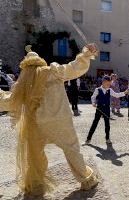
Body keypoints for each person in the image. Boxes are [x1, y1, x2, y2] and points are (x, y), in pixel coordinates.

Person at [0, 44, 99, 196]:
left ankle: (36, 185)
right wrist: (86, 54)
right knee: (72, 149)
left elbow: (8, 101)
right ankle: (86, 180)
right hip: (59, 121)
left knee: (36, 155)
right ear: (40, 61)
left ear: (25, 65)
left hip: (35, 124)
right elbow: (73, 68)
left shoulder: (23, 81)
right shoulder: (52, 71)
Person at [86, 75, 127, 144]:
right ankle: (88, 139)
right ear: (103, 82)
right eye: (107, 84)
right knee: (95, 123)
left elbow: (116, 95)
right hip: (99, 108)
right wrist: (93, 103)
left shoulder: (110, 90)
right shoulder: (98, 89)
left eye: (109, 84)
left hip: (107, 109)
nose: (109, 85)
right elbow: (93, 97)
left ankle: (107, 139)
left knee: (107, 124)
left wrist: (124, 93)